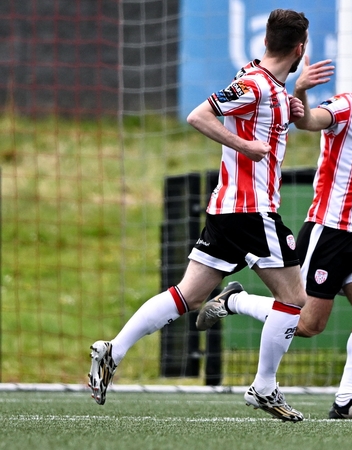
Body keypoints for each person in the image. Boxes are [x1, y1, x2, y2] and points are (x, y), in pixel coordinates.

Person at [87, 9, 311, 422]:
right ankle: (263, 387)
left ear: (266, 40)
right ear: (300, 48)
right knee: (295, 300)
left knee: (188, 296)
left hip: (227, 210)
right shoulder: (256, 86)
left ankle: (112, 350)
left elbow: (264, 110)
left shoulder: (263, 82)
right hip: (252, 209)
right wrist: (242, 145)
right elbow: (199, 115)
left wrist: (294, 98)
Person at [195, 43, 352, 420]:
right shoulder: (345, 107)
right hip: (328, 231)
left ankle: (346, 400)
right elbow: (309, 121)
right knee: (309, 324)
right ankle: (234, 301)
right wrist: (301, 92)